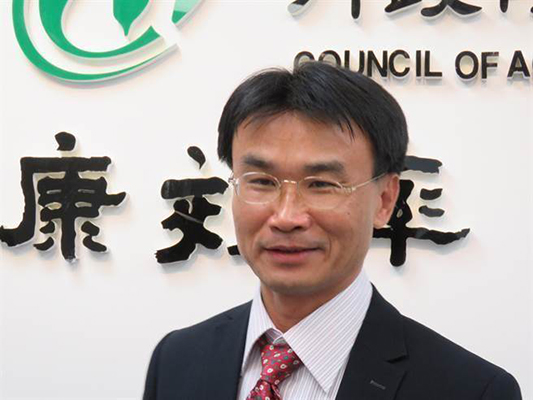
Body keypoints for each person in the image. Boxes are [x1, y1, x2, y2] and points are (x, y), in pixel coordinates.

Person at [143, 62, 522, 400]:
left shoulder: (471, 390)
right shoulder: (176, 360)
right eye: (261, 181)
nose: (286, 217)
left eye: (322, 185)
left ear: (385, 200)